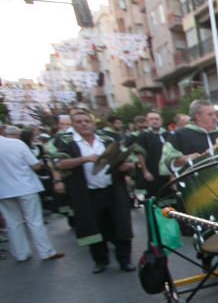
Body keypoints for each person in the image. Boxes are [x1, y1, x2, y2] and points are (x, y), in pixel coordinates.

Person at [46, 108, 135, 272]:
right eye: (79, 122)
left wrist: (127, 166)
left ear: (93, 123)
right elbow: (59, 163)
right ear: (73, 125)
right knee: (93, 226)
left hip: (113, 190)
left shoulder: (107, 139)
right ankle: (100, 261)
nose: (84, 124)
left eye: (87, 121)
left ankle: (125, 261)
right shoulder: (66, 141)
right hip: (87, 193)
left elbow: (126, 160)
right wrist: (85, 159)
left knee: (121, 223)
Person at [0, 125, 64, 262]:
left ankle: (21, 254)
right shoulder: (16, 143)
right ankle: (46, 251)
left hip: (3, 191)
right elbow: (35, 164)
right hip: (25, 186)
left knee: (13, 223)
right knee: (34, 221)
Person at [159, 100, 218, 176]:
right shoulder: (180, 135)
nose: (215, 117)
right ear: (198, 116)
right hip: (198, 184)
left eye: (215, 114)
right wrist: (184, 159)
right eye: (210, 114)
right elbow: (167, 161)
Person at [132, 111, 173, 198]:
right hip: (153, 172)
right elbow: (140, 154)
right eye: (151, 119)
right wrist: (145, 172)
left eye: (157, 119)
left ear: (161, 121)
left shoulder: (168, 134)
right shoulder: (143, 136)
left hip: (168, 173)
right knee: (155, 197)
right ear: (147, 122)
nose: (155, 121)